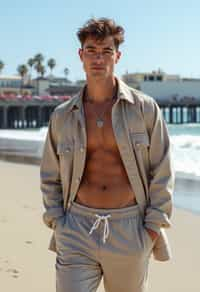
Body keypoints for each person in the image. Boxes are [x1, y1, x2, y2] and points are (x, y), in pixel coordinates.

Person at [40, 17, 174, 292]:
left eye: (106, 52)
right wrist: (59, 222)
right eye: (91, 50)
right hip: (76, 228)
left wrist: (150, 229)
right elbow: (49, 175)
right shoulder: (63, 116)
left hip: (130, 230)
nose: (98, 59)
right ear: (81, 55)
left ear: (118, 55)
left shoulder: (144, 109)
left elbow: (162, 171)